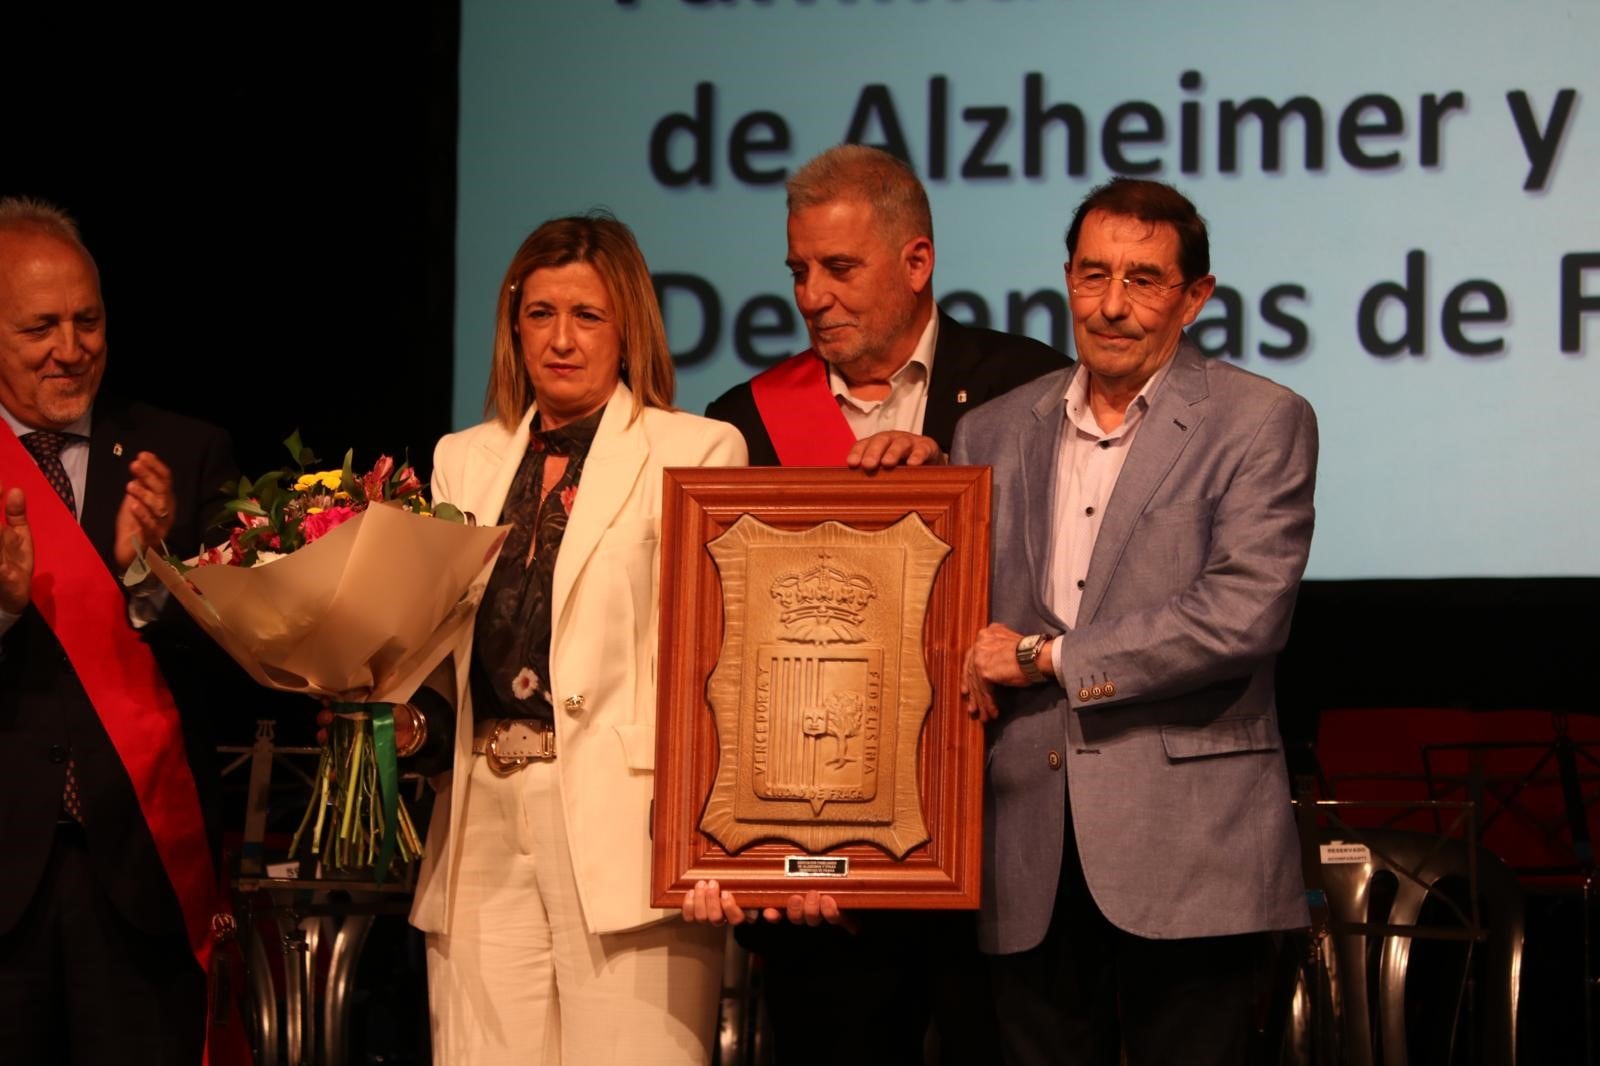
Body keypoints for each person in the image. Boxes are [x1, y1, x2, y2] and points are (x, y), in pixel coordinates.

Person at [695, 144, 1067, 1066]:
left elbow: (1077, 582)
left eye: (839, 268)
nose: (811, 294)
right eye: (798, 271)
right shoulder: (739, 420)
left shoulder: (1034, 386)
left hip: (996, 849)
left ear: (917, 262)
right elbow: (717, 650)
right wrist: (764, 855)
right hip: (819, 872)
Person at [955, 178, 1317, 1066]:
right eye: (1093, 275)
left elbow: (1240, 615)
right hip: (1027, 844)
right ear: (1067, 280)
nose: (1112, 306)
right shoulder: (993, 433)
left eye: (1145, 280)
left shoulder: (1261, 421)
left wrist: (1050, 657)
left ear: (1196, 297)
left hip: (1191, 846)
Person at [403, 212, 746, 1066]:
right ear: (513, 326)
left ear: (627, 328)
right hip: (480, 811)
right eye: (540, 314)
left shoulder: (696, 448)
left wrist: (713, 838)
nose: (561, 339)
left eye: (587, 316)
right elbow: (436, 645)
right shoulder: (462, 460)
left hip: (631, 832)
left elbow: (720, 668)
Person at [0, 196, 238, 1063]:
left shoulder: (181, 453)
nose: (71, 348)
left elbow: (241, 669)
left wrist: (153, 577)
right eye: (40, 327)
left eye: (87, 320)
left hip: (141, 880)